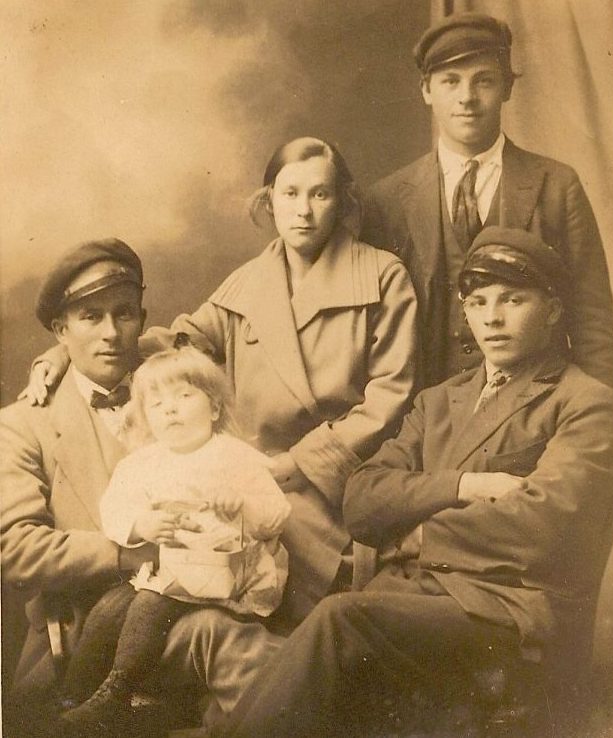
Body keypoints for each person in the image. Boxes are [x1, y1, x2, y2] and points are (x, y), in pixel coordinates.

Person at [220, 227, 613, 738]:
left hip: (509, 610)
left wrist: (418, 535)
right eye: (478, 303)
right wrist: (461, 486)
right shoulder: (441, 400)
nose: (492, 318)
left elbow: (546, 525)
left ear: (553, 310)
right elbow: (361, 499)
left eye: (513, 300)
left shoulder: (586, 403)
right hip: (420, 592)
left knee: (338, 621)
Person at [22, 136, 419, 625]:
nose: (304, 211)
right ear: (269, 201)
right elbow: (176, 342)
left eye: (320, 194)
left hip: (338, 476)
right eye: (290, 194)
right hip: (255, 472)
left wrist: (303, 462)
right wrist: (67, 352)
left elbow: (390, 398)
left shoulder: (381, 276)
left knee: (310, 592)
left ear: (341, 201)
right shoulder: (247, 284)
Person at [0, 240, 283, 736]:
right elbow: (16, 548)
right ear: (61, 331)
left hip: (204, 591)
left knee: (232, 646)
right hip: (89, 628)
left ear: (142, 320)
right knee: (222, 643)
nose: (111, 333)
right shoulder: (22, 425)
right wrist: (130, 552)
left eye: (124, 314)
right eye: (90, 317)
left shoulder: (172, 381)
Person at [362, 12, 613, 391]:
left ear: (507, 88)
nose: (467, 97)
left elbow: (593, 322)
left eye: (483, 80)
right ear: (427, 90)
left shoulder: (556, 186)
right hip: (424, 410)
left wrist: (599, 414)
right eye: (451, 81)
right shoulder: (386, 201)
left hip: (536, 407)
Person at [55, 346, 291, 733]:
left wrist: (243, 505)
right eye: (157, 403)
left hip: (229, 577)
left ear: (214, 408)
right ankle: (72, 698)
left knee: (150, 603)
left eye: (183, 396)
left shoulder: (235, 456)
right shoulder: (142, 463)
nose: (170, 409)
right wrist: (142, 524)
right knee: (110, 607)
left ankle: (118, 693)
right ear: (146, 416)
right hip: (171, 573)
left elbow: (277, 513)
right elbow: (114, 511)